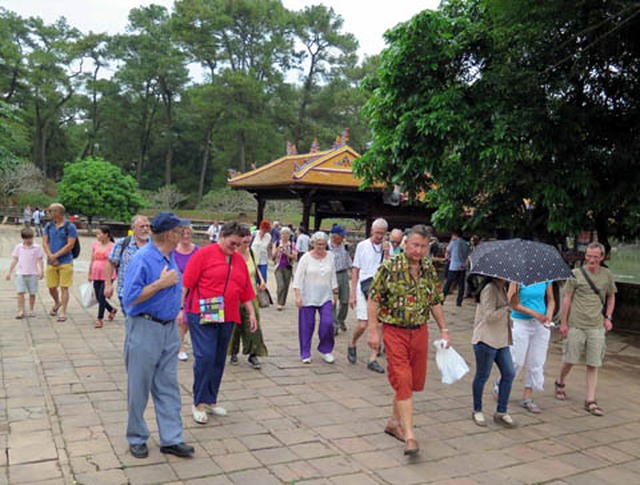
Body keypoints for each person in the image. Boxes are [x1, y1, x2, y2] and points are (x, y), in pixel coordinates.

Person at [367, 224, 450, 456]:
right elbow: (374, 299)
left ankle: (394, 422)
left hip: (420, 330)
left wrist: (444, 329)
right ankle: (410, 435)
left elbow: (434, 300)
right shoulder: (390, 266)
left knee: (413, 382)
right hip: (395, 331)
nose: (419, 250)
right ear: (405, 243)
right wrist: (373, 331)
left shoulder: (428, 268)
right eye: (415, 245)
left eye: (423, 246)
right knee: (403, 378)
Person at [122, 212, 194, 459]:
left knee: (168, 385)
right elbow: (130, 298)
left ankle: (171, 438)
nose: (183, 235)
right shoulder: (142, 259)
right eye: (179, 231)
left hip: (168, 329)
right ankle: (136, 437)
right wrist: (160, 285)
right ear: (167, 234)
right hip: (145, 327)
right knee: (139, 386)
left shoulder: (170, 256)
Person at [182, 222, 257, 425]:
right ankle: (198, 402)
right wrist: (181, 310)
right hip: (204, 309)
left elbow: (245, 290)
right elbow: (187, 283)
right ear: (221, 236)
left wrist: (252, 314)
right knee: (205, 356)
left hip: (228, 312)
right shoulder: (203, 255)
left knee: (217, 358)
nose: (235, 247)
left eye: (239, 244)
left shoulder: (238, 260)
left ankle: (210, 399)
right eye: (233, 243)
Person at [555, 242, 616, 417]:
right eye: (589, 255)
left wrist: (608, 317)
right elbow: (567, 299)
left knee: (594, 363)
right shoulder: (576, 274)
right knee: (570, 359)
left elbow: (611, 296)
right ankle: (560, 380)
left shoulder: (607, 275)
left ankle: (590, 400)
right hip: (576, 324)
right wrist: (564, 322)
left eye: (595, 257)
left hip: (596, 325)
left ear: (602, 257)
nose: (591, 259)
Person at [471, 277, 516, 428]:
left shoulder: (502, 288)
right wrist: (507, 307)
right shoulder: (489, 288)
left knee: (509, 373)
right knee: (482, 375)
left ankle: (501, 411)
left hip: (501, 340)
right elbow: (489, 316)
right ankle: (477, 409)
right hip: (486, 339)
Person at [348, 218, 390, 373]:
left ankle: (372, 358)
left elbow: (389, 268)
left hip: (380, 288)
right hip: (363, 286)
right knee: (363, 324)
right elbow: (355, 269)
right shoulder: (362, 246)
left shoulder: (388, 247)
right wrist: (352, 292)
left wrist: (387, 253)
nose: (379, 236)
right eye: (377, 233)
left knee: (379, 324)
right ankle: (352, 343)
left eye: (382, 233)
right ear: (372, 231)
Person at [508, 281, 555, 413]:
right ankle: (502, 383)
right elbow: (512, 303)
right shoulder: (517, 278)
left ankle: (528, 396)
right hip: (521, 322)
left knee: (536, 361)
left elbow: (551, 300)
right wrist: (534, 313)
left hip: (540, 324)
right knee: (517, 360)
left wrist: (549, 316)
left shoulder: (546, 277)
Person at [293, 232, 338, 364]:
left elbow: (333, 275)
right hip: (308, 296)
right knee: (307, 325)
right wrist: (297, 295)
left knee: (328, 323)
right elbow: (298, 278)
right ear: (312, 244)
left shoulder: (330, 256)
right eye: (318, 244)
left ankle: (326, 349)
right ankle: (305, 352)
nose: (320, 247)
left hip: (326, 296)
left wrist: (335, 293)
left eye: (323, 244)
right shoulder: (306, 258)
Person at [228, 230, 268, 369]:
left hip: (251, 295)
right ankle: (232, 352)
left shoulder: (251, 253)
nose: (246, 244)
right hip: (234, 295)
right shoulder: (231, 255)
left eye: (248, 242)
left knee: (253, 323)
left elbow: (255, 269)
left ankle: (253, 353)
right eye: (244, 242)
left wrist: (261, 280)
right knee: (233, 326)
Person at [104, 215, 151, 313]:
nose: (145, 229)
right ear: (133, 228)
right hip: (127, 292)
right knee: (131, 322)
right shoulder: (122, 243)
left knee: (147, 325)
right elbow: (110, 263)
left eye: (147, 226)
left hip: (150, 293)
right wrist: (108, 285)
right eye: (142, 226)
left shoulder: (155, 245)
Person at [42, 203, 77, 322]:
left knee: (64, 287)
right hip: (51, 261)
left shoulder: (70, 227)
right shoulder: (48, 226)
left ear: (58, 212)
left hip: (65, 260)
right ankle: (57, 302)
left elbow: (70, 245)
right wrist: (50, 256)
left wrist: (56, 256)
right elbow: (45, 242)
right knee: (51, 287)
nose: (49, 213)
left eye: (50, 211)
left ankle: (63, 312)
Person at [5, 227, 44, 319]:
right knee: (20, 292)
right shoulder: (19, 247)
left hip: (33, 273)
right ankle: (21, 310)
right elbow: (15, 259)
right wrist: (9, 272)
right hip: (21, 273)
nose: (29, 240)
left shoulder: (37, 248)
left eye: (30, 238)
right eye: (27, 238)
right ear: (23, 238)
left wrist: (41, 270)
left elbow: (40, 260)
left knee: (32, 293)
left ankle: (31, 310)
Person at [173, 225, 199, 361]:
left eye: (188, 233)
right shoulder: (173, 251)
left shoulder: (197, 250)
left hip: (193, 290)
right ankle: (180, 346)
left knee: (190, 319)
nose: (186, 236)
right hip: (177, 288)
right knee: (181, 320)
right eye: (183, 233)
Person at [88, 225, 117, 329]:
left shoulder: (113, 246)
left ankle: (99, 318)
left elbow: (116, 261)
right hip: (96, 272)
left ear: (106, 235)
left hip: (108, 274)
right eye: (96, 234)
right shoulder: (95, 244)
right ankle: (111, 309)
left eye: (99, 233)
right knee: (97, 295)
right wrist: (89, 272)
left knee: (102, 295)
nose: (97, 236)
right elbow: (92, 259)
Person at [329, 225, 351, 335]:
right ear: (335, 236)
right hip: (331, 275)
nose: (343, 237)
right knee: (333, 301)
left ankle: (340, 319)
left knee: (345, 301)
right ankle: (334, 325)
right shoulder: (327, 247)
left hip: (343, 274)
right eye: (341, 235)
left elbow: (349, 261)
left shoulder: (344, 246)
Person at [442, 231, 470, 307]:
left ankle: (442, 299)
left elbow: (447, 250)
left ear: (454, 235)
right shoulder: (466, 243)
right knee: (461, 285)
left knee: (448, 283)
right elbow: (468, 255)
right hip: (462, 266)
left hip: (454, 266)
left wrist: (447, 257)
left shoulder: (453, 242)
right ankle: (459, 302)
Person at [273, 226, 296, 310]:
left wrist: (287, 253)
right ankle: (279, 302)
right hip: (278, 267)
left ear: (289, 235)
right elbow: (272, 255)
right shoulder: (277, 243)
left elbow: (294, 256)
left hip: (288, 267)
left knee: (286, 286)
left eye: (286, 233)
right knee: (281, 285)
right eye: (283, 233)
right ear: (280, 234)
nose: (284, 235)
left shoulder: (292, 244)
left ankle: (282, 302)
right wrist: (277, 250)